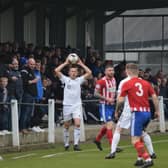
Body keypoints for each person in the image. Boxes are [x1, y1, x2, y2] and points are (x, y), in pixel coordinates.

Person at [114, 63, 159, 168]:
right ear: (138, 71)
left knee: (134, 140)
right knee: (140, 135)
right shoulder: (146, 83)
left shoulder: (127, 83)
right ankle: (140, 159)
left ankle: (148, 159)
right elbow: (155, 97)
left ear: (128, 71)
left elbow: (120, 101)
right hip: (147, 113)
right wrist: (157, 111)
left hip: (137, 114)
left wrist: (116, 111)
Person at [105, 76, 157, 161]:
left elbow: (120, 98)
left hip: (129, 110)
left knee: (118, 129)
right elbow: (152, 95)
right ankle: (152, 153)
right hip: (142, 110)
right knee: (142, 132)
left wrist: (117, 111)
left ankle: (112, 152)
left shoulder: (124, 82)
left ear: (127, 71)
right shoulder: (143, 81)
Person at [55, 55, 92, 151]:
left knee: (77, 123)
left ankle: (76, 144)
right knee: (67, 125)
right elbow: (56, 71)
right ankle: (66, 144)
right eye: (72, 71)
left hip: (76, 105)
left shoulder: (79, 80)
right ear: (69, 72)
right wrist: (65, 63)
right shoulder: (65, 79)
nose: (73, 73)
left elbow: (89, 72)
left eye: (75, 71)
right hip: (67, 105)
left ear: (77, 73)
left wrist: (81, 64)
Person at [93, 64, 121, 152]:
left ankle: (97, 140)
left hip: (112, 106)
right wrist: (107, 98)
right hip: (104, 106)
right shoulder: (101, 81)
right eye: (109, 70)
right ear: (105, 72)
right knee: (110, 126)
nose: (111, 72)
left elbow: (113, 91)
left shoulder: (114, 79)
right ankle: (113, 147)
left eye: (112, 70)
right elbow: (95, 93)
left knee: (109, 125)